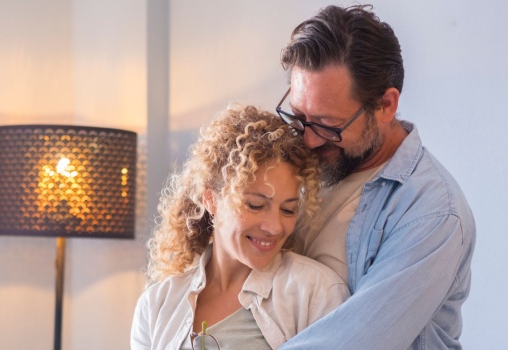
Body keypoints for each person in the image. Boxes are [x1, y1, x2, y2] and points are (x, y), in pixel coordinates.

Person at [274, 4, 476, 350]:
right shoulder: (300, 162)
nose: (308, 139)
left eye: (326, 124)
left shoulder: (433, 212)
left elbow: (351, 343)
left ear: (385, 106)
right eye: (298, 116)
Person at [131, 105, 349, 350]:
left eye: (288, 209)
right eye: (255, 205)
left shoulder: (316, 292)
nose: (275, 227)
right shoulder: (157, 305)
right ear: (211, 199)